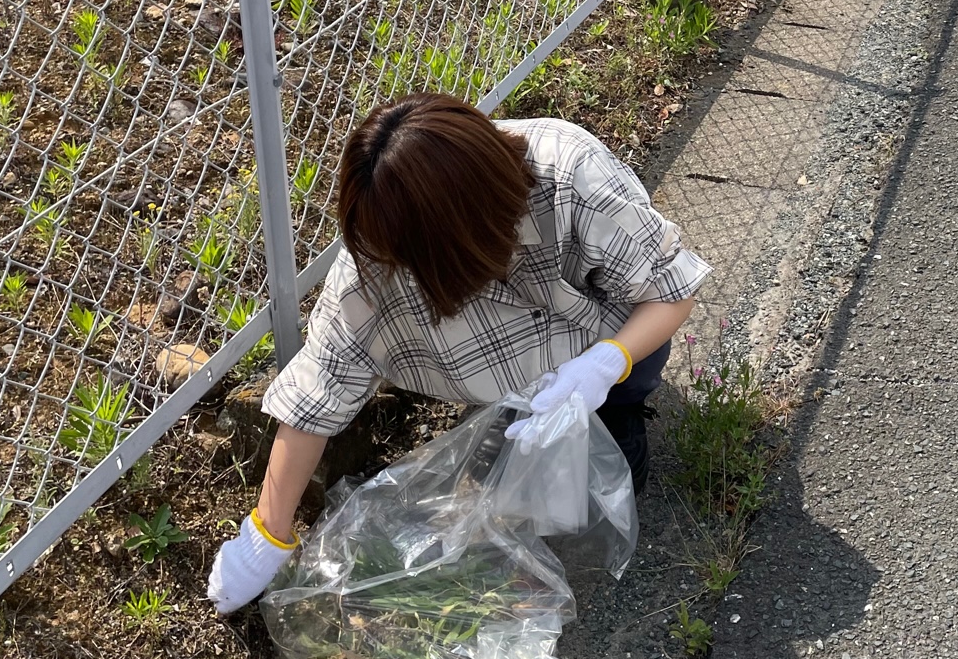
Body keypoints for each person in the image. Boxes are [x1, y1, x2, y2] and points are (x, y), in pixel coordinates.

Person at [207, 93, 708, 614]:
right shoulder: (378, 255)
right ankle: (515, 415)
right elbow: (319, 389)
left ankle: (619, 409)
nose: (399, 269)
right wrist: (267, 532)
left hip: (601, 341)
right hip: (504, 379)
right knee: (514, 490)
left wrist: (604, 366)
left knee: (587, 501)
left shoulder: (568, 174)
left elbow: (671, 290)